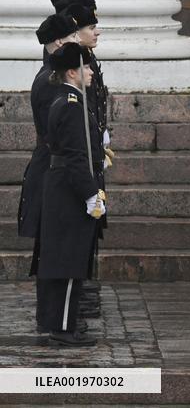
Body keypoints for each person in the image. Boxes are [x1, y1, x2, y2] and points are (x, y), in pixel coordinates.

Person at [36, 42, 106, 346]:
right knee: (69, 259)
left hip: (60, 186)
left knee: (62, 257)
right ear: (71, 72)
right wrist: (91, 195)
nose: (91, 72)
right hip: (69, 190)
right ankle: (63, 327)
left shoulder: (65, 100)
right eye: (86, 67)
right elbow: (77, 158)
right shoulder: (72, 105)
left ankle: (56, 322)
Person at [20, 12, 79, 333]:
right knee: (53, 252)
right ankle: (53, 320)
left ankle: (56, 317)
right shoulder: (50, 82)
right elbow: (57, 133)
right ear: (58, 43)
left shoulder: (54, 77)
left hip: (56, 167)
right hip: (52, 171)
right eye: (71, 38)